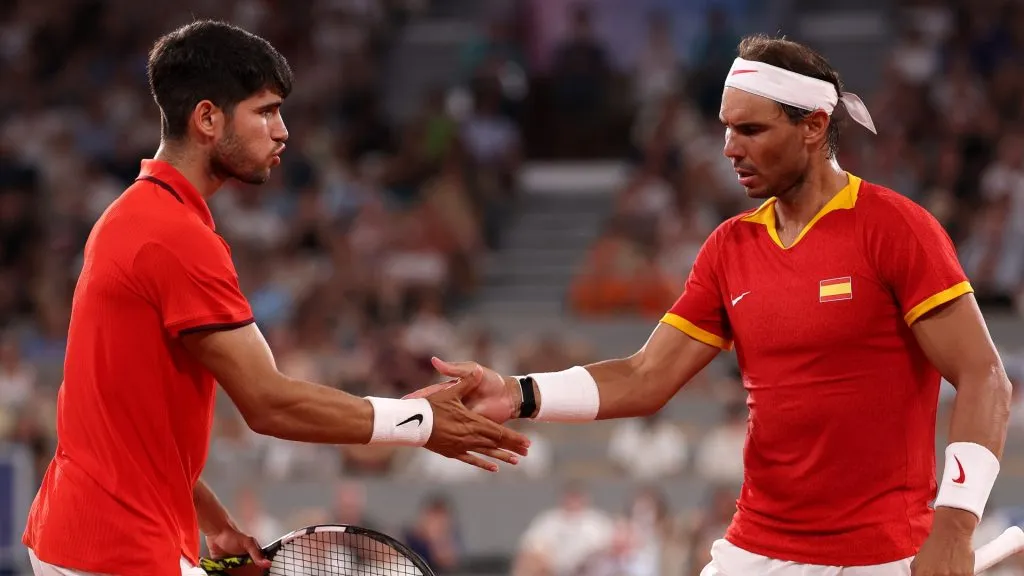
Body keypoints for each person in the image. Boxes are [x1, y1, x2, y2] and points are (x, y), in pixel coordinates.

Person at [415, 35, 1013, 576]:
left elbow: (985, 377)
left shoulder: (896, 228)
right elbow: (644, 377)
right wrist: (517, 392)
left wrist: (956, 527)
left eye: (751, 130)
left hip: (881, 558)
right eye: (726, 128)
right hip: (752, 551)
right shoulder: (730, 246)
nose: (729, 148)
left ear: (812, 126)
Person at [21, 20, 529, 576]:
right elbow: (269, 403)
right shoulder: (174, 237)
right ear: (208, 118)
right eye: (265, 111)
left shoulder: (133, 216)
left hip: (76, 535)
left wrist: (214, 524)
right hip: (115, 554)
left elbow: (129, 424)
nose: (283, 131)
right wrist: (418, 422)